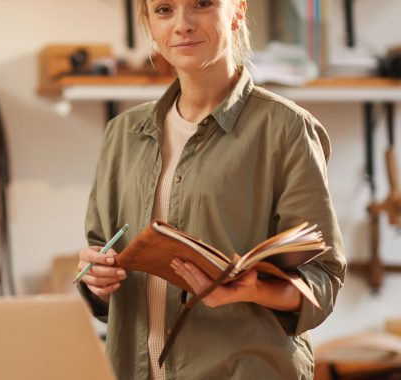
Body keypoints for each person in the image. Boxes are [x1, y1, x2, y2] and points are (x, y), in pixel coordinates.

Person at [76, 0, 347, 379]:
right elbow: (100, 260)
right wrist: (96, 278)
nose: (182, 24)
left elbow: (323, 280)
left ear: (237, 10)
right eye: (164, 9)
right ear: (149, 23)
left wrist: (252, 288)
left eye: (202, 4)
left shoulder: (286, 129)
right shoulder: (122, 134)